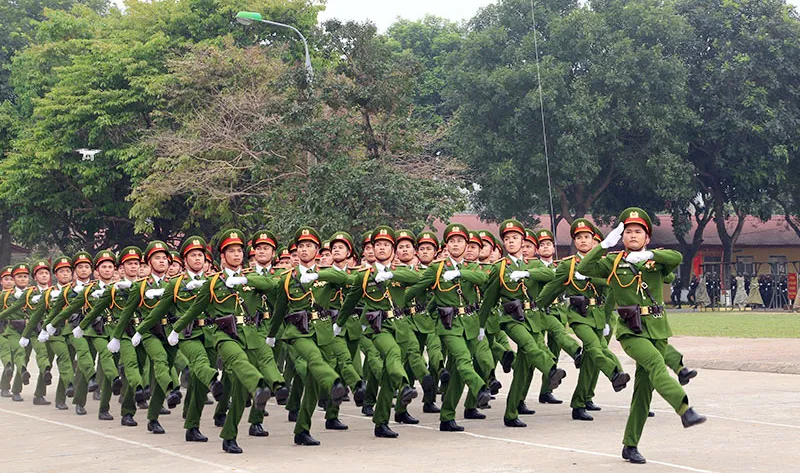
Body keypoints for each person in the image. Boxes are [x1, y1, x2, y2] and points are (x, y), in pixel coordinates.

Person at [577, 207, 706, 464]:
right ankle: (684, 408)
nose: (632, 235)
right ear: (621, 237)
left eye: (638, 232)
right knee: (657, 365)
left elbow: (677, 258)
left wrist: (650, 255)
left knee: (643, 393)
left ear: (647, 237)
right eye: (628, 232)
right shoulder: (612, 262)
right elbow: (584, 266)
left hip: (657, 329)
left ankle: (630, 444)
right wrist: (603, 245)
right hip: (632, 332)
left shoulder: (655, 260)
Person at [537, 219, 630, 421]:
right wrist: (538, 306)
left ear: (593, 240)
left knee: (590, 362)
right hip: (579, 316)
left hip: (598, 315)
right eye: (578, 238)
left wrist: (606, 318)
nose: (583, 241)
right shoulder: (568, 265)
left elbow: (611, 285)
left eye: (587, 237)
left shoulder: (601, 265)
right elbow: (552, 287)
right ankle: (615, 374)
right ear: (575, 242)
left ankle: (580, 403)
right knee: (594, 348)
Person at [478, 219, 566, 428]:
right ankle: (550, 369)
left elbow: (552, 275)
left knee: (522, 371)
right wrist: (481, 326)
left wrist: (528, 273)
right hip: (511, 319)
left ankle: (511, 413)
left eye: (515, 238)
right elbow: (489, 298)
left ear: (523, 241)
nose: (511, 242)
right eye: (507, 239)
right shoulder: (500, 268)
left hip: (532, 318)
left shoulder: (532, 265)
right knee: (528, 345)